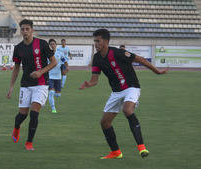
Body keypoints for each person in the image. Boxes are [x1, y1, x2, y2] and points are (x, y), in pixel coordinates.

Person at [80, 29, 169, 159]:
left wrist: (157, 71)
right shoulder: (97, 58)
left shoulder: (118, 53)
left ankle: (142, 147)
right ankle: (116, 152)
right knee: (105, 122)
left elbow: (140, 59)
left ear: (106, 41)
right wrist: (89, 84)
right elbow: (94, 80)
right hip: (116, 92)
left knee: (127, 109)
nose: (95, 44)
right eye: (94, 41)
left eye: (98, 41)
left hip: (131, 87)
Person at [7, 19, 57, 151]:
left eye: (27, 29)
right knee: (22, 115)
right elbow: (16, 68)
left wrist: (41, 72)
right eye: (22, 29)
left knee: (34, 113)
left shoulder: (41, 44)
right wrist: (11, 86)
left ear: (32, 30)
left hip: (41, 84)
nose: (25, 32)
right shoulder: (18, 48)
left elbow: (54, 62)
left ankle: (29, 142)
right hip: (25, 84)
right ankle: (16, 127)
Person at [48, 39, 68, 113]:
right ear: (49, 46)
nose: (52, 45)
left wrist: (66, 67)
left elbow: (64, 61)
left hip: (58, 77)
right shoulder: (47, 54)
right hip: (50, 76)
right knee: (51, 93)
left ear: (56, 45)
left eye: (53, 44)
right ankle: (53, 108)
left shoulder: (60, 53)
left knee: (57, 95)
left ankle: (50, 93)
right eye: (51, 44)